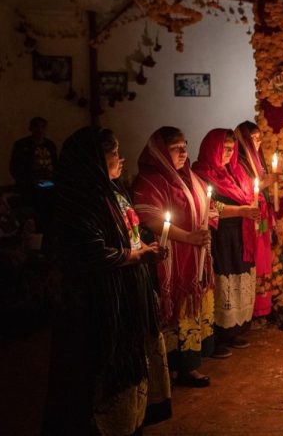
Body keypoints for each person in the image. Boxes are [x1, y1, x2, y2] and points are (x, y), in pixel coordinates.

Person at [43, 127, 171, 434]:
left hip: (126, 293)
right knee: (105, 370)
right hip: (100, 301)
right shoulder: (81, 200)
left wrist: (144, 247)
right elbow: (91, 252)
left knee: (132, 361)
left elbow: (129, 235)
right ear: (94, 160)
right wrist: (137, 255)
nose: (121, 158)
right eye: (114, 153)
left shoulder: (113, 191)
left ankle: (130, 422)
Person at [133, 127, 217, 387]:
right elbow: (153, 218)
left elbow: (206, 207)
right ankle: (171, 368)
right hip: (170, 258)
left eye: (184, 146)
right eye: (175, 148)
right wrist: (189, 237)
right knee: (172, 312)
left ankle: (189, 365)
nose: (183, 152)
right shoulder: (150, 180)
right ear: (159, 152)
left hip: (194, 254)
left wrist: (205, 226)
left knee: (189, 310)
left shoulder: (189, 176)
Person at [192, 129, 264, 358]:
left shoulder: (234, 171)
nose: (227, 153)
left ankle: (233, 330)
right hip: (220, 236)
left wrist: (253, 207)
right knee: (223, 282)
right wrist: (243, 210)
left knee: (238, 280)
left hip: (240, 236)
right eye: (223, 148)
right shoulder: (201, 173)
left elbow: (250, 194)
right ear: (211, 148)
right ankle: (217, 335)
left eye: (231, 149)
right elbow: (210, 207)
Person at [234, 121, 275, 318]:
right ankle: (254, 309)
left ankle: (263, 307)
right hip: (251, 219)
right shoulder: (240, 162)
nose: (257, 143)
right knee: (257, 259)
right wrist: (271, 180)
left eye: (259, 139)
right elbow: (249, 188)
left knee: (265, 259)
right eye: (253, 139)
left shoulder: (256, 160)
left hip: (262, 218)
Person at [9, 117, 58, 231]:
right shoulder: (22, 145)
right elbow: (15, 167)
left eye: (42, 127)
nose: (39, 130)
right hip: (30, 188)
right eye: (37, 126)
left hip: (49, 186)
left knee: (49, 211)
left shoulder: (50, 145)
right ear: (31, 128)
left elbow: (55, 164)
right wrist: (28, 182)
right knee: (35, 212)